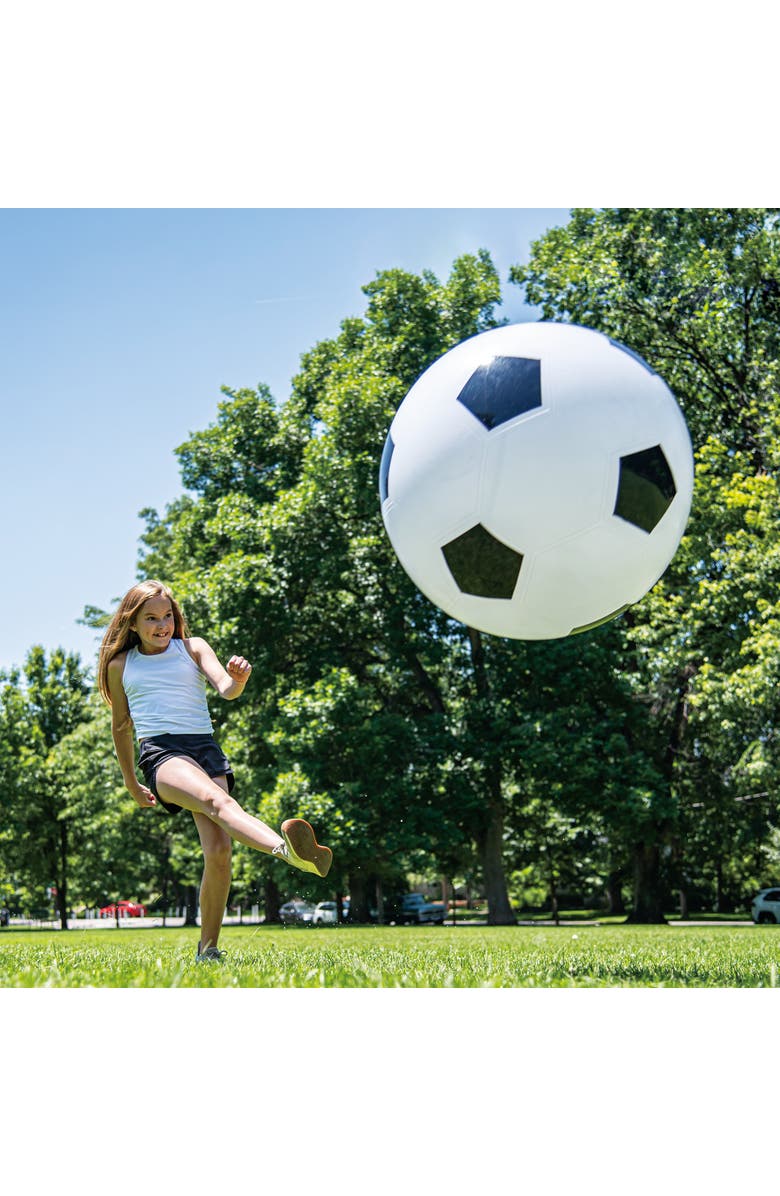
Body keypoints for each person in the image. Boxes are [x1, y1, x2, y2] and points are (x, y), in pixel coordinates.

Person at [97, 579, 332, 962]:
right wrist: (131, 781)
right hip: (162, 752)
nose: (162, 625)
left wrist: (237, 680)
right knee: (216, 801)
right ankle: (287, 851)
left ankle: (207, 950)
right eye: (151, 618)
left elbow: (226, 688)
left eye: (167, 616)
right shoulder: (121, 665)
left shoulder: (193, 648)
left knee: (220, 850)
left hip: (205, 748)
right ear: (133, 622)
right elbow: (121, 726)